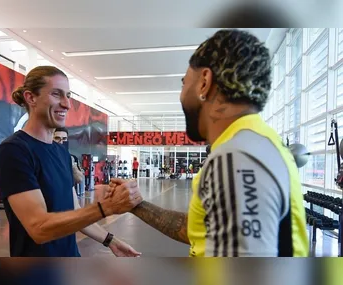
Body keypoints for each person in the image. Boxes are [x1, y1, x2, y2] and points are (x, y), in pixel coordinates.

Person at [108, 29, 308, 257]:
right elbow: (201, 229)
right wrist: (136, 205)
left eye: (184, 83)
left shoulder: (237, 158)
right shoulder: (251, 144)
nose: (181, 94)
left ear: (204, 82)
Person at [0, 65, 143, 257]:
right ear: (31, 98)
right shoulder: (14, 151)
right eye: (57, 94)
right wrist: (107, 207)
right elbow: (39, 228)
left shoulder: (61, 153)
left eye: (68, 96)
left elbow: (73, 209)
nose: (67, 104)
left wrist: (110, 240)